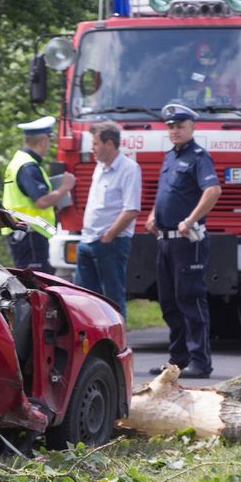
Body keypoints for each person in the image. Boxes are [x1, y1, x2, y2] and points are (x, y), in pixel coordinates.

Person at [144, 102, 222, 379]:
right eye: (171, 127)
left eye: (180, 126)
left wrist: (190, 220)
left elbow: (213, 191)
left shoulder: (199, 157)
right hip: (166, 241)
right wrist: (153, 215)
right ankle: (178, 361)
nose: (175, 131)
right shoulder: (170, 157)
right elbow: (167, 192)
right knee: (169, 302)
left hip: (188, 241)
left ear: (192, 127)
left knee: (190, 299)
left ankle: (200, 362)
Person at [74, 121, 141, 319]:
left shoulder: (129, 169)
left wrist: (108, 236)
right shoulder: (100, 166)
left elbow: (131, 209)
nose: (92, 148)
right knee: (84, 298)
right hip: (87, 240)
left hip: (111, 244)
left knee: (112, 299)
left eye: (95, 143)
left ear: (109, 144)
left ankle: (118, 337)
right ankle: (93, 336)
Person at [1, 115, 74, 270]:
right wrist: (65, 187)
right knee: (37, 279)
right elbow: (41, 201)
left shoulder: (20, 160)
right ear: (43, 141)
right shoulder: (28, 166)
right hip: (30, 234)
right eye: (49, 140)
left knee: (30, 278)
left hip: (25, 232)